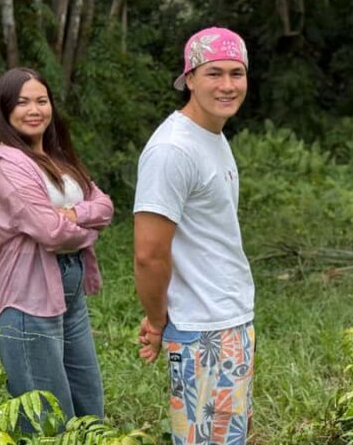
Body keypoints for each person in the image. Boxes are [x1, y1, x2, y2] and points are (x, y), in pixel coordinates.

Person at [133, 26, 255, 444]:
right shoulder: (172, 150)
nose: (227, 85)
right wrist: (157, 319)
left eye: (236, 73)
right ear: (189, 78)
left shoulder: (211, 136)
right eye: (213, 73)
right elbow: (149, 254)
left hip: (228, 319)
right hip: (201, 330)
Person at [0, 67, 113, 425]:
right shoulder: (7, 164)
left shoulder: (59, 158)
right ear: (6, 109)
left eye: (41, 100)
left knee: (89, 403)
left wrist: (73, 213)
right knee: (48, 417)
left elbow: (104, 206)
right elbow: (50, 231)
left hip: (69, 294)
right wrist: (88, 231)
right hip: (28, 297)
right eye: (22, 102)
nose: (34, 110)